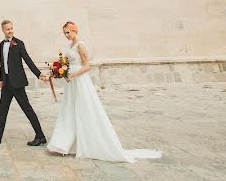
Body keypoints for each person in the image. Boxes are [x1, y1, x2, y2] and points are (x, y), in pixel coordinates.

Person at [47, 21, 162, 161]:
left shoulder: (80, 45)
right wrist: (59, 70)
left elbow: (87, 66)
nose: (66, 35)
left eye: (68, 32)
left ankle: (87, 143)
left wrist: (72, 74)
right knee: (69, 109)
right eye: (64, 33)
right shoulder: (69, 45)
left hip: (80, 80)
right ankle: (64, 143)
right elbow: (67, 62)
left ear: (75, 30)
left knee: (84, 108)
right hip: (71, 82)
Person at [0, 19, 49, 146]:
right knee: (2, 109)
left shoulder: (18, 43)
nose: (10, 31)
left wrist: (39, 75)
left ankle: (40, 136)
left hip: (17, 83)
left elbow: (28, 60)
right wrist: (1, 79)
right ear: (3, 30)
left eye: (11, 28)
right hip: (7, 83)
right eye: (7, 29)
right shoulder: (1, 44)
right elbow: (2, 64)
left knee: (27, 109)